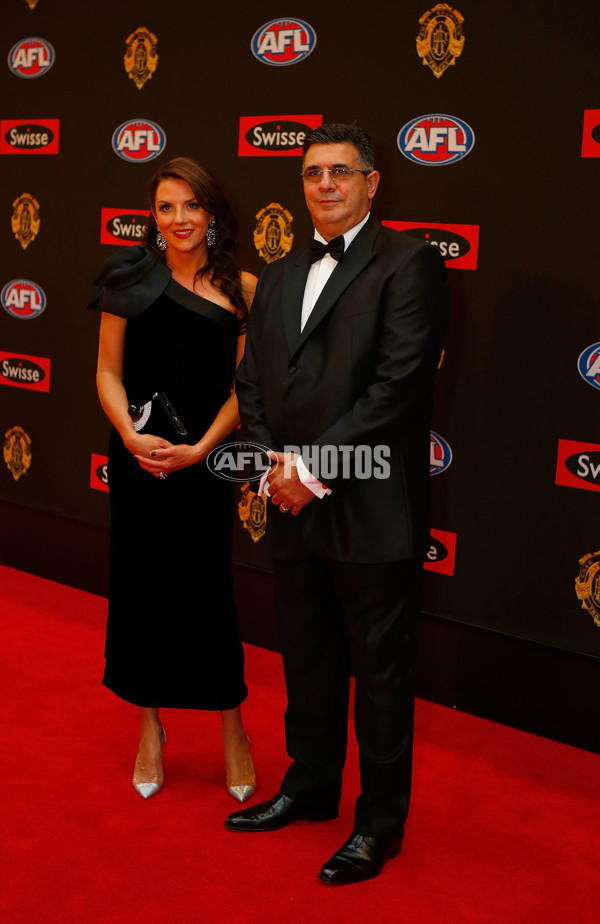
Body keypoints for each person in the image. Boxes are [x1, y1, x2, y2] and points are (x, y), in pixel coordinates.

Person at [225, 124, 448, 884]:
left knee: (381, 676)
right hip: (291, 503)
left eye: (341, 173)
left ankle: (380, 824)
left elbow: (399, 384)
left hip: (370, 502)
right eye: (313, 172)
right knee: (308, 659)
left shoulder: (410, 262)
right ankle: (311, 785)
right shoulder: (282, 273)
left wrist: (312, 468)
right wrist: (272, 465)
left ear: (372, 182)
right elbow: (252, 379)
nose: (325, 184)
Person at [93, 157, 257, 802]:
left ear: (212, 213)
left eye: (192, 206)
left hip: (205, 464)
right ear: (152, 216)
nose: (180, 219)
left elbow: (248, 387)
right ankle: (150, 729)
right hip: (138, 461)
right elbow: (107, 372)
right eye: (166, 207)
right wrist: (132, 438)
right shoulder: (126, 279)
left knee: (209, 594)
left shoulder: (243, 286)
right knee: (139, 593)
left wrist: (201, 448)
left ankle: (233, 730)